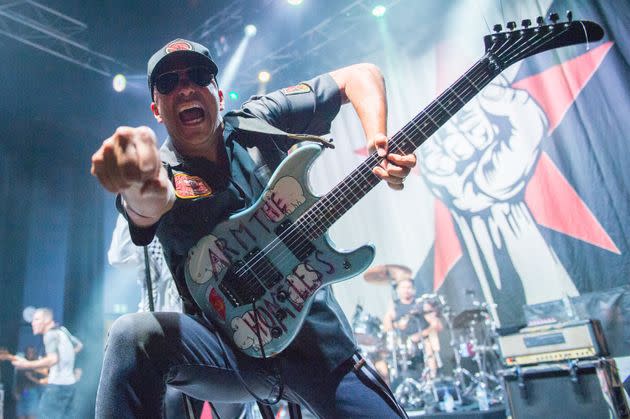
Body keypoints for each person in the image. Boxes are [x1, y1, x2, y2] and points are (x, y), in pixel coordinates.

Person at [91, 38, 416, 418]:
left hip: (315, 343)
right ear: (156, 110)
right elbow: (149, 205)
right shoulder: (162, 171)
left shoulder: (259, 119)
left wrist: (379, 140)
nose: (185, 88)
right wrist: (136, 184)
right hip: (226, 348)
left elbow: (360, 76)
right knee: (132, 337)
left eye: (198, 76)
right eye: (168, 83)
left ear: (218, 93)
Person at [12, 308, 82, 419]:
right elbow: (78, 345)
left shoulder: (50, 334)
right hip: (69, 386)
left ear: (47, 320)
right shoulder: (62, 330)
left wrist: (26, 364)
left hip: (57, 387)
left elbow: (52, 359)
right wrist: (64, 355)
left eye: (36, 319)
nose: (32, 323)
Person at [382, 278, 444, 380]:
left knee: (428, 345)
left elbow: (437, 326)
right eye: (403, 287)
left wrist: (421, 334)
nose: (406, 290)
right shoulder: (395, 307)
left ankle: (432, 379)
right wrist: (396, 324)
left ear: (413, 289)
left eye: (409, 287)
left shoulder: (421, 304)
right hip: (403, 347)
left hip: (423, 342)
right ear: (397, 290)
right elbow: (386, 329)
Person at [13, 346, 47, 419]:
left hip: (33, 392)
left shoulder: (38, 364)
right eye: (28, 352)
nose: (30, 354)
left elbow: (43, 382)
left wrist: (31, 378)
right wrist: (15, 391)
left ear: (35, 353)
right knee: (20, 415)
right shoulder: (22, 363)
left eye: (32, 352)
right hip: (21, 392)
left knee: (31, 415)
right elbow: (17, 379)